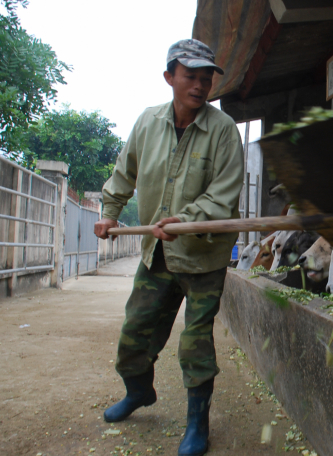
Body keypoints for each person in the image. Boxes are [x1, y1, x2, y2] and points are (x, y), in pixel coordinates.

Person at [94, 39, 244, 456]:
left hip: (203, 257)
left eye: (206, 78)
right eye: (190, 76)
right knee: (134, 334)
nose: (199, 85)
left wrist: (186, 219)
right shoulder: (147, 122)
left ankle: (197, 423)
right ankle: (139, 390)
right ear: (169, 77)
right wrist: (110, 212)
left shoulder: (224, 131)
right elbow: (124, 174)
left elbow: (224, 195)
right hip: (155, 254)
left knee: (195, 342)